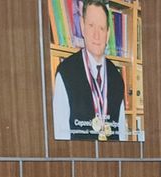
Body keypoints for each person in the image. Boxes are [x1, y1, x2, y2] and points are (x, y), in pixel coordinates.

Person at [52, 0, 134, 141]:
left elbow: (121, 134)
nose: (96, 35)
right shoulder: (66, 73)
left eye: (101, 28)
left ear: (108, 33)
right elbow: (60, 135)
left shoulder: (117, 78)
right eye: (91, 26)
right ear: (82, 26)